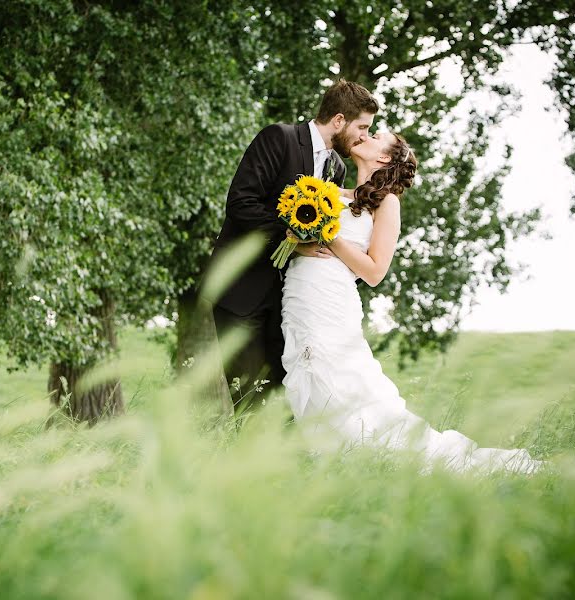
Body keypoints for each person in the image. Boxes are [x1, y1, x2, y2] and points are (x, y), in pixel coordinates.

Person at [281, 131, 543, 474]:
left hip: (333, 301)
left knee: (341, 377)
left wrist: (332, 238)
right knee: (307, 369)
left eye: (375, 135)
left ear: (386, 158)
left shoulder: (387, 202)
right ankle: (327, 461)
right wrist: (302, 241)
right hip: (301, 293)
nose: (365, 135)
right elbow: (300, 242)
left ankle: (367, 456)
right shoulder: (326, 193)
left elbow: (375, 271)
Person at [208, 79, 378, 413]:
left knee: (288, 403)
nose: (364, 136)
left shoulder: (336, 168)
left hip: (290, 302)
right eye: (362, 127)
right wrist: (291, 240)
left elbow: (322, 228)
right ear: (340, 120)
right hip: (242, 290)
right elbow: (241, 203)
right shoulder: (279, 138)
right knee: (251, 403)